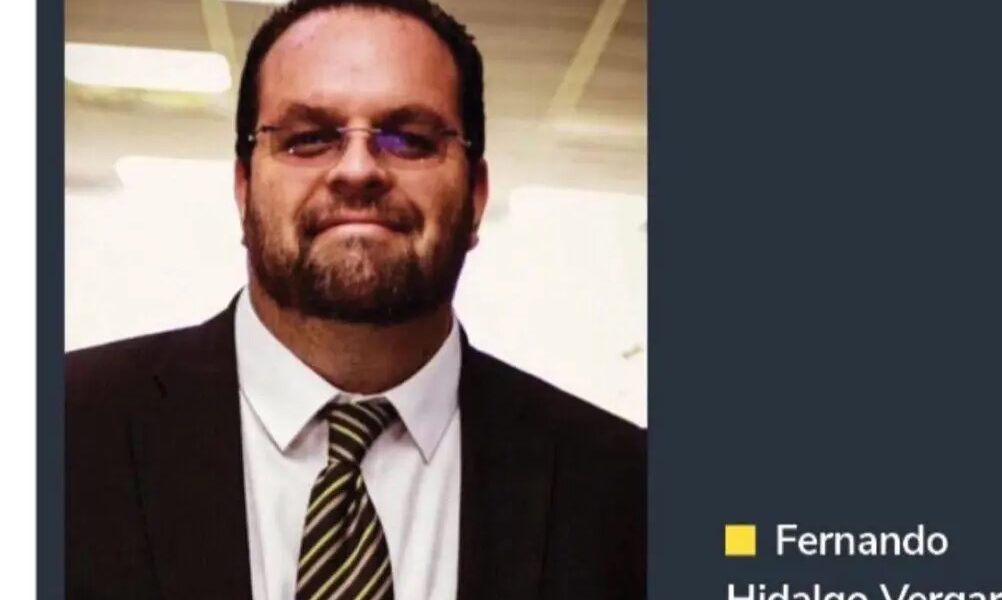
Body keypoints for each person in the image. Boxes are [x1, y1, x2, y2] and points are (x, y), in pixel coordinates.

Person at [64, 0, 646, 598]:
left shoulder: (628, 490)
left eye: (410, 139)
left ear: (476, 195)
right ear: (243, 189)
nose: (358, 169)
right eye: (308, 139)